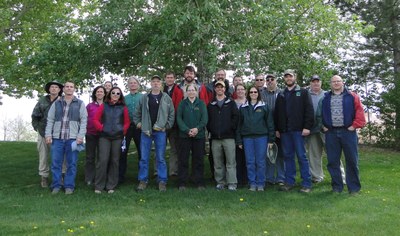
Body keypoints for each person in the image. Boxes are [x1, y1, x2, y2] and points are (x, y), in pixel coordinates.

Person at [320, 75, 366, 194]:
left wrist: (354, 125)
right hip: (331, 133)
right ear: (330, 84)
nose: (336, 83)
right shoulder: (325, 98)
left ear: (343, 83)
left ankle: (354, 188)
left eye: (338, 81)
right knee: (332, 161)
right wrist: (322, 126)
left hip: (348, 132)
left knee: (352, 160)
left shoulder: (351, 96)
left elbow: (359, 111)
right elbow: (318, 114)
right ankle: (337, 187)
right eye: (333, 81)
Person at [275, 69, 314, 193]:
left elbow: (309, 110)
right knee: (288, 157)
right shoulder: (281, 94)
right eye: (286, 77)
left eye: (290, 76)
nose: (288, 78)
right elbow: (277, 113)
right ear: (284, 79)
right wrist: (277, 129)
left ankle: (306, 183)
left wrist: (307, 127)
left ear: (295, 77)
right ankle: (289, 182)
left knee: (302, 157)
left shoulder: (303, 92)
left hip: (299, 130)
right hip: (285, 131)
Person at [134, 75, 175, 192]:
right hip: (146, 131)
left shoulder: (166, 98)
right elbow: (137, 112)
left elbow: (171, 114)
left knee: (160, 157)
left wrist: (166, 127)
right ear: (150, 84)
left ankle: (162, 181)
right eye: (153, 82)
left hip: (160, 132)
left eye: (158, 81)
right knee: (144, 157)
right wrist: (138, 123)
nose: (156, 83)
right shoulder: (144, 97)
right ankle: (143, 180)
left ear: (161, 84)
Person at [45, 81, 87, 194]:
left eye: (71, 87)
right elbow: (50, 119)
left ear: (74, 89)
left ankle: (69, 186)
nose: (69, 88)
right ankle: (56, 186)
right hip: (57, 138)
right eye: (67, 87)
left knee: (71, 163)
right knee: (55, 163)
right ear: (63, 89)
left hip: (73, 139)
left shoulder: (80, 103)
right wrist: (48, 134)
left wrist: (80, 136)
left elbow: (84, 121)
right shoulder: (57, 103)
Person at [237, 86, 275, 191]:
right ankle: (252, 183)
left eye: (255, 92)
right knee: (250, 162)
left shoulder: (264, 106)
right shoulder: (243, 107)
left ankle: (261, 183)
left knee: (261, 162)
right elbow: (239, 125)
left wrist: (271, 139)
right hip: (247, 138)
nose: (253, 93)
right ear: (248, 94)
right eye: (251, 92)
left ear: (258, 93)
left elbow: (270, 123)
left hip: (261, 137)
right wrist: (239, 140)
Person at [93, 87, 130, 193]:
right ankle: (99, 185)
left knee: (115, 161)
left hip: (117, 137)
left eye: (118, 93)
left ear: (120, 95)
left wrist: (122, 131)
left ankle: (111, 185)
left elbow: (127, 122)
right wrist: (101, 128)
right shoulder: (104, 106)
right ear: (109, 94)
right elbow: (95, 119)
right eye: (113, 93)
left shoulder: (123, 107)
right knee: (103, 160)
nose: (115, 94)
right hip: (104, 137)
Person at [207, 81, 239, 191]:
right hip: (215, 138)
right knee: (217, 162)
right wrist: (212, 130)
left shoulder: (231, 102)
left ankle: (232, 183)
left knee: (230, 162)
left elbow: (235, 118)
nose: (219, 89)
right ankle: (220, 182)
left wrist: (230, 128)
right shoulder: (211, 104)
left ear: (225, 89)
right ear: (215, 89)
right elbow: (208, 120)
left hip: (229, 137)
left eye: (222, 87)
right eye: (217, 87)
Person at [31, 80, 63, 188]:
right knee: (43, 156)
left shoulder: (63, 101)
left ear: (59, 90)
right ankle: (43, 178)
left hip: (58, 133)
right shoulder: (42, 101)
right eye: (52, 87)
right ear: (49, 89)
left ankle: (60, 177)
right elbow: (35, 116)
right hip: (43, 132)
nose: (54, 89)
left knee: (60, 157)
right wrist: (37, 128)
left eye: (56, 87)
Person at [176, 84, 208, 190]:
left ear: (196, 91)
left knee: (198, 159)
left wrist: (196, 129)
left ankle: (199, 182)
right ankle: (182, 182)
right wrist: (186, 130)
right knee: (183, 159)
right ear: (186, 92)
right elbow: (179, 119)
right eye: (188, 90)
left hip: (198, 136)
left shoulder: (201, 103)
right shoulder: (182, 104)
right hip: (184, 136)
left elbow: (204, 119)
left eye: (193, 90)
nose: (191, 92)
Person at [119, 76, 143, 183]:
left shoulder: (143, 97)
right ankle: (120, 176)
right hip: (127, 128)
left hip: (139, 127)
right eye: (131, 83)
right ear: (128, 85)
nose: (133, 84)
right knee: (123, 151)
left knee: (141, 152)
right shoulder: (124, 98)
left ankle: (141, 177)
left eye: (135, 83)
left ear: (138, 84)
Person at [264, 73, 285, 186]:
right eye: (268, 79)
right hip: (266, 128)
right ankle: (269, 178)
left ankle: (281, 177)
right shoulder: (262, 94)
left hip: (279, 129)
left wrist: (279, 129)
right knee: (269, 153)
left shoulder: (282, 93)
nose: (270, 81)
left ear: (276, 81)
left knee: (280, 154)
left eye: (272, 79)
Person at [85, 85, 106, 186]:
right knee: (90, 157)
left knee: (101, 157)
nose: (99, 93)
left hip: (103, 135)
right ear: (95, 94)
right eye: (98, 92)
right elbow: (84, 118)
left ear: (104, 94)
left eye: (101, 92)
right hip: (91, 133)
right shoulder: (90, 106)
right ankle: (89, 178)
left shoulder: (107, 105)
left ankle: (99, 177)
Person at [163, 72, 183, 176]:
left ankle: (173, 171)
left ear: (174, 79)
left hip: (174, 125)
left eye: (171, 77)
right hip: (162, 124)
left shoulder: (178, 90)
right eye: (168, 77)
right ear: (165, 79)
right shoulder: (162, 90)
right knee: (160, 148)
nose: (170, 79)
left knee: (174, 149)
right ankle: (158, 171)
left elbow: (178, 107)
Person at [234, 84, 247, 186]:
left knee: (248, 157)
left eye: (242, 89)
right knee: (238, 158)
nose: (240, 91)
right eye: (238, 89)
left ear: (245, 91)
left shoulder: (250, 102)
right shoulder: (232, 103)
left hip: (248, 133)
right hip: (235, 133)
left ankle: (247, 179)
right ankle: (239, 179)